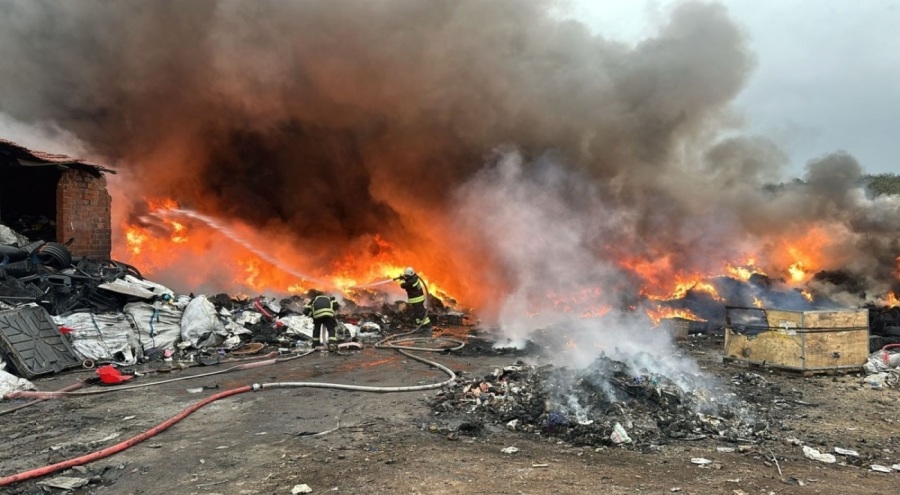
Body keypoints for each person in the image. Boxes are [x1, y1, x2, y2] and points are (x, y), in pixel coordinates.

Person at [395, 267, 431, 333]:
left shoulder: (412, 281)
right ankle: (420, 326)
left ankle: (428, 327)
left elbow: (403, 285)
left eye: (406, 275)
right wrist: (404, 277)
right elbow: (408, 280)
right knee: (417, 314)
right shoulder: (414, 277)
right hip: (415, 300)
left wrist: (402, 279)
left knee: (421, 314)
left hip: (417, 300)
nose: (406, 276)